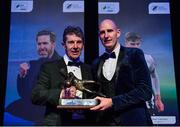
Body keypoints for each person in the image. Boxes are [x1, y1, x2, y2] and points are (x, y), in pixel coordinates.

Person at [90, 19, 153, 126]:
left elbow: (145, 91)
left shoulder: (134, 54)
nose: (106, 35)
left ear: (118, 33)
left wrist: (113, 102)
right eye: (102, 32)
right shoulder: (96, 63)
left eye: (109, 31)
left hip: (134, 121)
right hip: (107, 122)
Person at [31, 26, 96, 126]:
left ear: (83, 45)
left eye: (78, 42)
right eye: (71, 42)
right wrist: (62, 94)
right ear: (63, 45)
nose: (75, 46)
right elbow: (36, 95)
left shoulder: (89, 69)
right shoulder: (49, 68)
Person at [5, 30, 61, 125]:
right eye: (39, 44)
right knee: (8, 112)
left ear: (53, 44)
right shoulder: (34, 64)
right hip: (35, 109)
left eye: (45, 43)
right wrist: (22, 75)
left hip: (51, 112)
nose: (42, 47)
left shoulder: (61, 64)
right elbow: (23, 94)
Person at [124, 32, 164, 115]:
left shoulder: (148, 58)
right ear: (126, 43)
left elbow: (153, 76)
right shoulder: (118, 59)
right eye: (132, 44)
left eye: (137, 44)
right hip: (126, 101)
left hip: (146, 102)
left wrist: (158, 98)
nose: (135, 46)